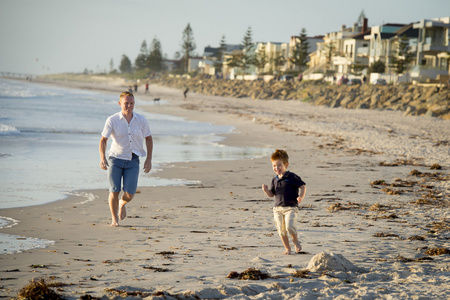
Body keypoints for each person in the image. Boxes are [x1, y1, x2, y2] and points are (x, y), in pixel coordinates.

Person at [99, 91, 153, 227]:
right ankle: (114, 220)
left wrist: (149, 159)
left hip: (133, 160)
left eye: (132, 103)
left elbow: (149, 138)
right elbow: (103, 140)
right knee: (114, 190)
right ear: (120, 104)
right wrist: (102, 157)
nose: (129, 106)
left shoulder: (141, 120)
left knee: (129, 193)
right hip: (115, 159)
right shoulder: (112, 120)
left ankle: (122, 204)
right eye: (126, 103)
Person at [262, 149, 307, 255]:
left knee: (289, 226)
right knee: (281, 230)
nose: (276, 168)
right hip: (277, 208)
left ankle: (295, 241)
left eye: (279, 165)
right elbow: (271, 194)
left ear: (286, 165)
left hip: (291, 207)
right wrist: (266, 190)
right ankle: (288, 249)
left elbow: (303, 186)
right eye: (274, 166)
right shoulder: (275, 179)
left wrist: (301, 197)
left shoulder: (291, 177)